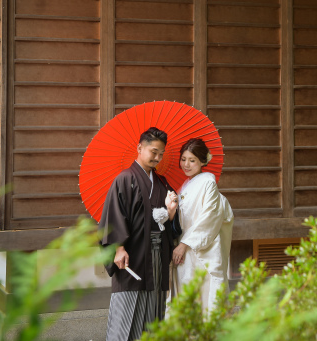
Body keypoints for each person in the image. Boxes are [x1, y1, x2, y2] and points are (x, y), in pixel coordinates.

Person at [98, 127, 180, 341]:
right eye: (153, 152)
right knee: (127, 308)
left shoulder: (162, 183)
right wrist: (118, 248)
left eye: (161, 154)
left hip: (157, 255)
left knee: (154, 310)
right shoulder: (125, 179)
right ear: (140, 148)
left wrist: (171, 213)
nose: (157, 158)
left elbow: (167, 221)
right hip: (133, 254)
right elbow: (114, 216)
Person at [170, 138, 234, 313]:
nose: (186, 165)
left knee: (205, 295)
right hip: (186, 249)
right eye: (183, 159)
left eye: (192, 160)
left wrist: (184, 245)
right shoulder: (185, 185)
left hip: (201, 249)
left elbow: (209, 218)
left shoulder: (208, 182)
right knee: (190, 295)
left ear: (203, 161)